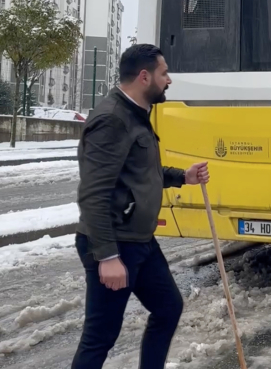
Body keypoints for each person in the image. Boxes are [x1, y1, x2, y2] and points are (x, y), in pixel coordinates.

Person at [72, 44, 210, 369]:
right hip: (114, 243)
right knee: (100, 337)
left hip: (140, 242)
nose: (169, 80)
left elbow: (140, 174)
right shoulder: (112, 120)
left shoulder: (136, 115)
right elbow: (94, 192)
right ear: (145, 76)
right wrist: (106, 256)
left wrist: (183, 177)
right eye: (164, 73)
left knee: (168, 307)